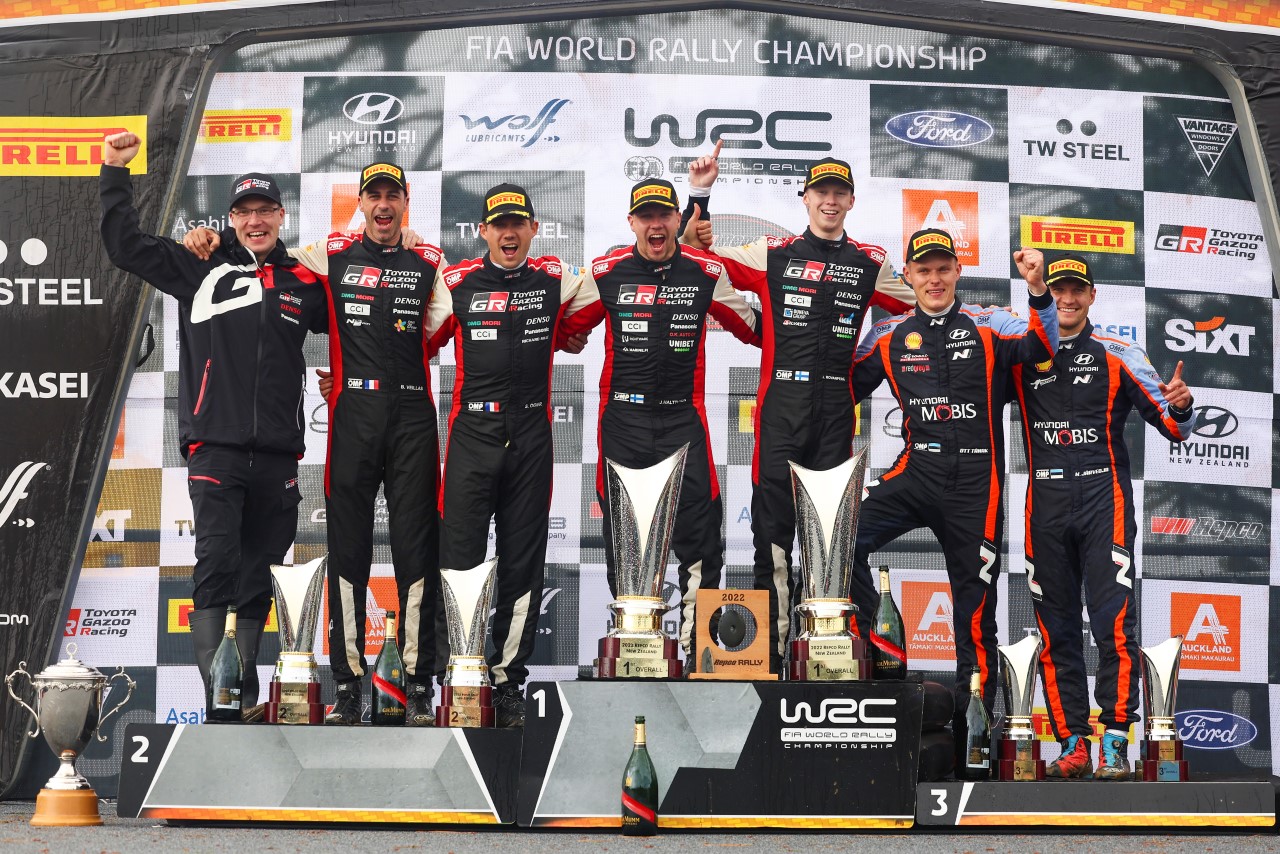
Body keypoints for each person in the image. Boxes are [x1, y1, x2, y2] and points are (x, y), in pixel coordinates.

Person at [183, 161, 447, 726]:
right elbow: (264, 256)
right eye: (373, 195)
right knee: (348, 553)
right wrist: (214, 237)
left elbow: (441, 328)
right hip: (353, 417)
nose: (383, 204)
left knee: (417, 553)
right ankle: (348, 686)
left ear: (405, 202)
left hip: (412, 416)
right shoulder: (325, 253)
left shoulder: (430, 260)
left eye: (392, 196)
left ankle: (419, 684)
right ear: (361, 203)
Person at [101, 131, 327, 715]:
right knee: (216, 568)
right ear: (231, 219)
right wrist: (115, 171)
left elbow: (361, 322)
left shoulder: (305, 281)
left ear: (281, 216)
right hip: (216, 449)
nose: (255, 221)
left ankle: (243, 697)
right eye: (244, 212)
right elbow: (124, 247)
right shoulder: (199, 265)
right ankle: (220, 698)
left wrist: (342, 380)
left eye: (265, 210)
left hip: (278, 455)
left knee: (259, 578)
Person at [683, 153, 916, 669]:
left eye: (839, 193)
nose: (830, 201)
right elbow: (698, 257)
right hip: (780, 412)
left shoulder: (870, 263)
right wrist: (700, 194)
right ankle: (769, 655)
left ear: (851, 201)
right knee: (772, 537)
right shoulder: (773, 253)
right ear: (805, 198)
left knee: (829, 538)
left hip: (835, 413)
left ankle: (826, 653)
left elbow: (924, 299)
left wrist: (991, 318)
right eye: (821, 192)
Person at [850, 230, 1058, 730]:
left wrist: (1038, 290)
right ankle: (878, 653)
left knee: (974, 612)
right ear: (908, 276)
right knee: (841, 537)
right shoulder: (888, 334)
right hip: (916, 471)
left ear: (958, 271)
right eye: (924, 271)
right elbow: (838, 394)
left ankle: (974, 729)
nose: (934, 279)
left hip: (975, 484)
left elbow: (1040, 344)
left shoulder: (991, 322)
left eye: (943, 269)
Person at [558, 178, 761, 667]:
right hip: (622, 421)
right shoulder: (606, 272)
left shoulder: (706, 273)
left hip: (682, 421)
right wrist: (569, 340)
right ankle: (635, 647)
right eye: (646, 216)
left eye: (664, 215)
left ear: (676, 220)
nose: (655, 224)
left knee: (702, 535)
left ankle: (698, 653)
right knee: (626, 542)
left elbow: (754, 328)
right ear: (632, 222)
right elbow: (561, 327)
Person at [1013, 253, 1195, 780]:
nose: (1067, 299)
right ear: (1047, 295)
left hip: (1103, 501)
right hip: (1045, 504)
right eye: (1058, 290)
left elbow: (1174, 427)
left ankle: (1115, 740)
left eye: (1077, 290)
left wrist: (1181, 406)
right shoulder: (1021, 354)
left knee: (1113, 623)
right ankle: (1072, 743)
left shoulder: (1119, 353)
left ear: (1092, 296)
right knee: (1056, 629)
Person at [427, 184, 597, 726]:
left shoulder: (555, 279)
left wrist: (692, 221)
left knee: (522, 563)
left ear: (533, 230)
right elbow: (414, 343)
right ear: (482, 231)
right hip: (472, 432)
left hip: (530, 433)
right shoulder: (456, 283)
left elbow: (606, 292)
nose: (508, 233)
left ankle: (506, 683)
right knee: (459, 561)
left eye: (517, 224)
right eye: (498, 224)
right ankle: (459, 676)